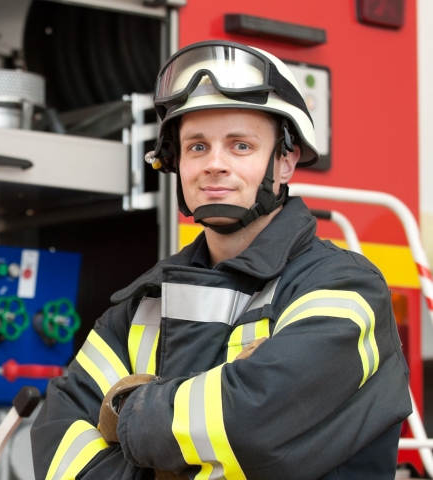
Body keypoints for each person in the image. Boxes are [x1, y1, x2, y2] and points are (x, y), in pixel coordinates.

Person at [31, 40, 412, 480]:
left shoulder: (342, 288)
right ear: (174, 162)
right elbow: (57, 440)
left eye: (240, 146)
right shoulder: (143, 305)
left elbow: (250, 430)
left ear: (285, 161)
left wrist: (125, 410)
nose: (214, 165)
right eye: (197, 147)